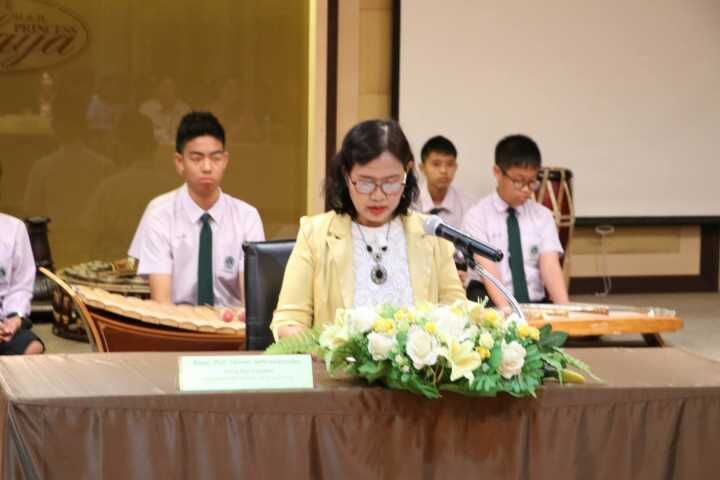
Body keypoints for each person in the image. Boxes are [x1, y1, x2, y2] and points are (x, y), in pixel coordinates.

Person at [270, 120, 466, 339]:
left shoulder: (431, 234)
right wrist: (322, 349)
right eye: (365, 183)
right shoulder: (315, 234)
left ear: (407, 172)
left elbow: (457, 313)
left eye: (391, 182)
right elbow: (289, 320)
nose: (378, 195)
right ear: (346, 175)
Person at [133, 111, 265, 306]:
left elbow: (252, 304)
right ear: (180, 163)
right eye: (196, 158)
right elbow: (161, 302)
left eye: (215, 158)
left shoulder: (247, 217)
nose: (207, 167)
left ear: (225, 161)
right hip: (174, 321)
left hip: (230, 322)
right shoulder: (159, 213)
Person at [462, 134, 568, 307]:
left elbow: (550, 267)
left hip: (534, 303)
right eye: (519, 182)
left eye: (532, 182)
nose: (526, 190)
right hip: (491, 303)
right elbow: (488, 271)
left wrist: (566, 311)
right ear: (497, 172)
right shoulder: (477, 216)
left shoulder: (542, 216)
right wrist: (510, 315)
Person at [0, 213, 45, 354]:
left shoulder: (14, 228)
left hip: (2, 318)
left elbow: (20, 286)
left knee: (33, 347)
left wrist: (14, 319)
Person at [413, 135, 473, 228]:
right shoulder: (411, 202)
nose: (443, 170)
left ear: (456, 167)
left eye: (450, 164)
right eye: (436, 164)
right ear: (422, 168)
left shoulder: (468, 206)